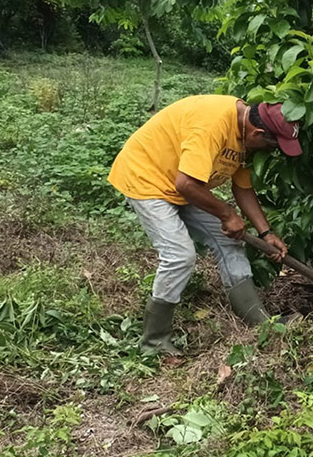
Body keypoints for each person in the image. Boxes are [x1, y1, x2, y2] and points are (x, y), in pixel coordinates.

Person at [108, 95, 302, 354]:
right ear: (257, 133)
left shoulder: (245, 136)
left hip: (183, 184)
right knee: (179, 256)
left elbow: (242, 188)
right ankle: (154, 342)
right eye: (272, 145)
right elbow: (186, 184)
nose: (272, 151)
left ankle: (260, 322)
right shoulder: (212, 125)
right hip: (147, 179)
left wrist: (266, 233)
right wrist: (226, 215)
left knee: (229, 242)